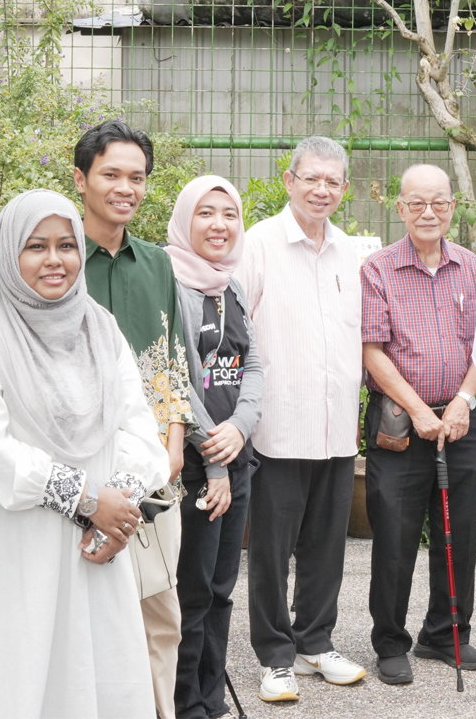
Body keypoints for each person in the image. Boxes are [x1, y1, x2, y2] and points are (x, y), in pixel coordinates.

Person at [0, 190, 168, 717]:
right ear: (7, 254)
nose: (55, 260)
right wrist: (86, 500)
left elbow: (137, 427)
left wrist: (116, 514)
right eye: (35, 246)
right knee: (16, 673)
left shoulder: (99, 327)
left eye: (66, 245)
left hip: (99, 540)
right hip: (14, 539)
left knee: (102, 672)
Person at [236, 136, 367, 702]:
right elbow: (236, 335)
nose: (321, 189)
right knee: (269, 549)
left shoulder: (350, 253)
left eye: (332, 180)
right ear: (288, 180)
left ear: (344, 188)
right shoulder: (258, 244)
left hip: (335, 430)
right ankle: (274, 656)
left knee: (326, 545)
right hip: (276, 429)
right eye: (310, 178)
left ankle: (316, 640)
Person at [75, 119, 193, 719]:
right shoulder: (58, 260)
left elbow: (173, 362)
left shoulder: (158, 265)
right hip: (82, 476)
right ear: (82, 179)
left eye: (137, 177)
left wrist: (173, 445)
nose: (126, 188)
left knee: (159, 617)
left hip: (154, 474)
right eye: (112, 175)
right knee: (85, 623)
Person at [361, 164, 476, 685]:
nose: (428, 212)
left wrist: (462, 400)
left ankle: (446, 633)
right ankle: (390, 641)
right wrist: (419, 410)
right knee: (394, 535)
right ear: (400, 208)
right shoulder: (378, 269)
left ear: (453, 208)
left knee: (458, 534)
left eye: (438, 202)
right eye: (416, 202)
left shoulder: (472, 268)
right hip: (400, 420)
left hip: (463, 418)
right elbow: (372, 349)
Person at [167, 176, 265, 718]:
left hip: (236, 456)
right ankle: (185, 704)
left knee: (224, 587)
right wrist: (215, 456)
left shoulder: (233, 285)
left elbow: (252, 363)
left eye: (229, 214)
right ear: (186, 219)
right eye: (206, 213)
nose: (219, 225)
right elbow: (174, 379)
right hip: (196, 467)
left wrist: (243, 427)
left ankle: (211, 697)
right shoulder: (169, 280)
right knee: (192, 591)